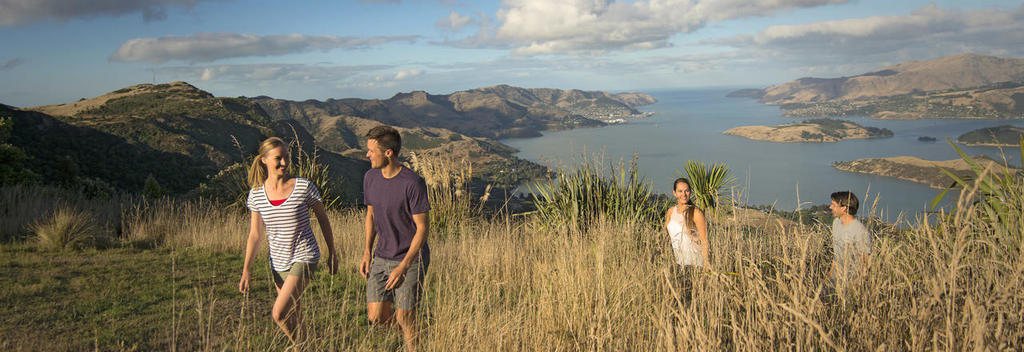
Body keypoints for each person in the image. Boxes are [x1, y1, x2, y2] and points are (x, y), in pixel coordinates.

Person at [238, 137, 337, 345]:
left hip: (305, 256)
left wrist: (333, 253)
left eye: (286, 157)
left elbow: (323, 220)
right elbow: (255, 235)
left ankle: (302, 346)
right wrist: (246, 269)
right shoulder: (256, 194)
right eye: (278, 158)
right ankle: (307, 346)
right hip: (278, 262)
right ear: (264, 160)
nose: (284, 162)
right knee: (293, 313)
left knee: (279, 313)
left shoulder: (303, 187)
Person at [360, 125, 430, 352]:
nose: (367, 155)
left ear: (388, 153)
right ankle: (415, 335)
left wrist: (403, 266)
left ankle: (413, 342)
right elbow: (371, 215)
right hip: (381, 255)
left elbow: (422, 228)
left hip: (410, 259)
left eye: (372, 151)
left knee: (405, 316)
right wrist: (367, 252)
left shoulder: (412, 183)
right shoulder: (370, 177)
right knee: (376, 316)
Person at [664, 178, 710, 269]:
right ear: (674, 193)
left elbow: (705, 241)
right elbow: (665, 237)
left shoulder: (696, 213)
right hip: (678, 263)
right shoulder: (670, 211)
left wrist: (706, 266)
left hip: (695, 265)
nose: (684, 194)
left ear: (690, 192)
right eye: (680, 191)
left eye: (687, 191)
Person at [827, 191, 871, 284]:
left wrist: (853, 289)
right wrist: (829, 276)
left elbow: (864, 264)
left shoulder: (860, 232)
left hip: (850, 282)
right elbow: (837, 255)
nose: (830, 207)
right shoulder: (836, 223)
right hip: (834, 279)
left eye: (833, 205)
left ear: (843, 208)